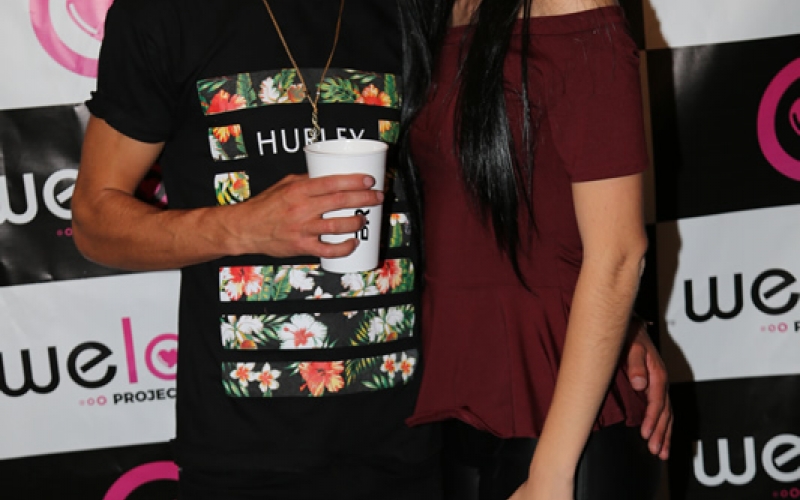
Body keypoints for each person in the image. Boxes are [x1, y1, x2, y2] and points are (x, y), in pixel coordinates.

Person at [71, 0, 669, 498]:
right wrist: (244, 227)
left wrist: (613, 322)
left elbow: (486, 192)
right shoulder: (166, 13)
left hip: (419, 445)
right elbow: (95, 221)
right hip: (249, 458)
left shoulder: (416, 10)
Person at [400, 0, 670, 498]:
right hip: (454, 401)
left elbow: (618, 253)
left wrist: (552, 472)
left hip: (565, 425)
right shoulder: (429, 13)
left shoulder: (572, 7)